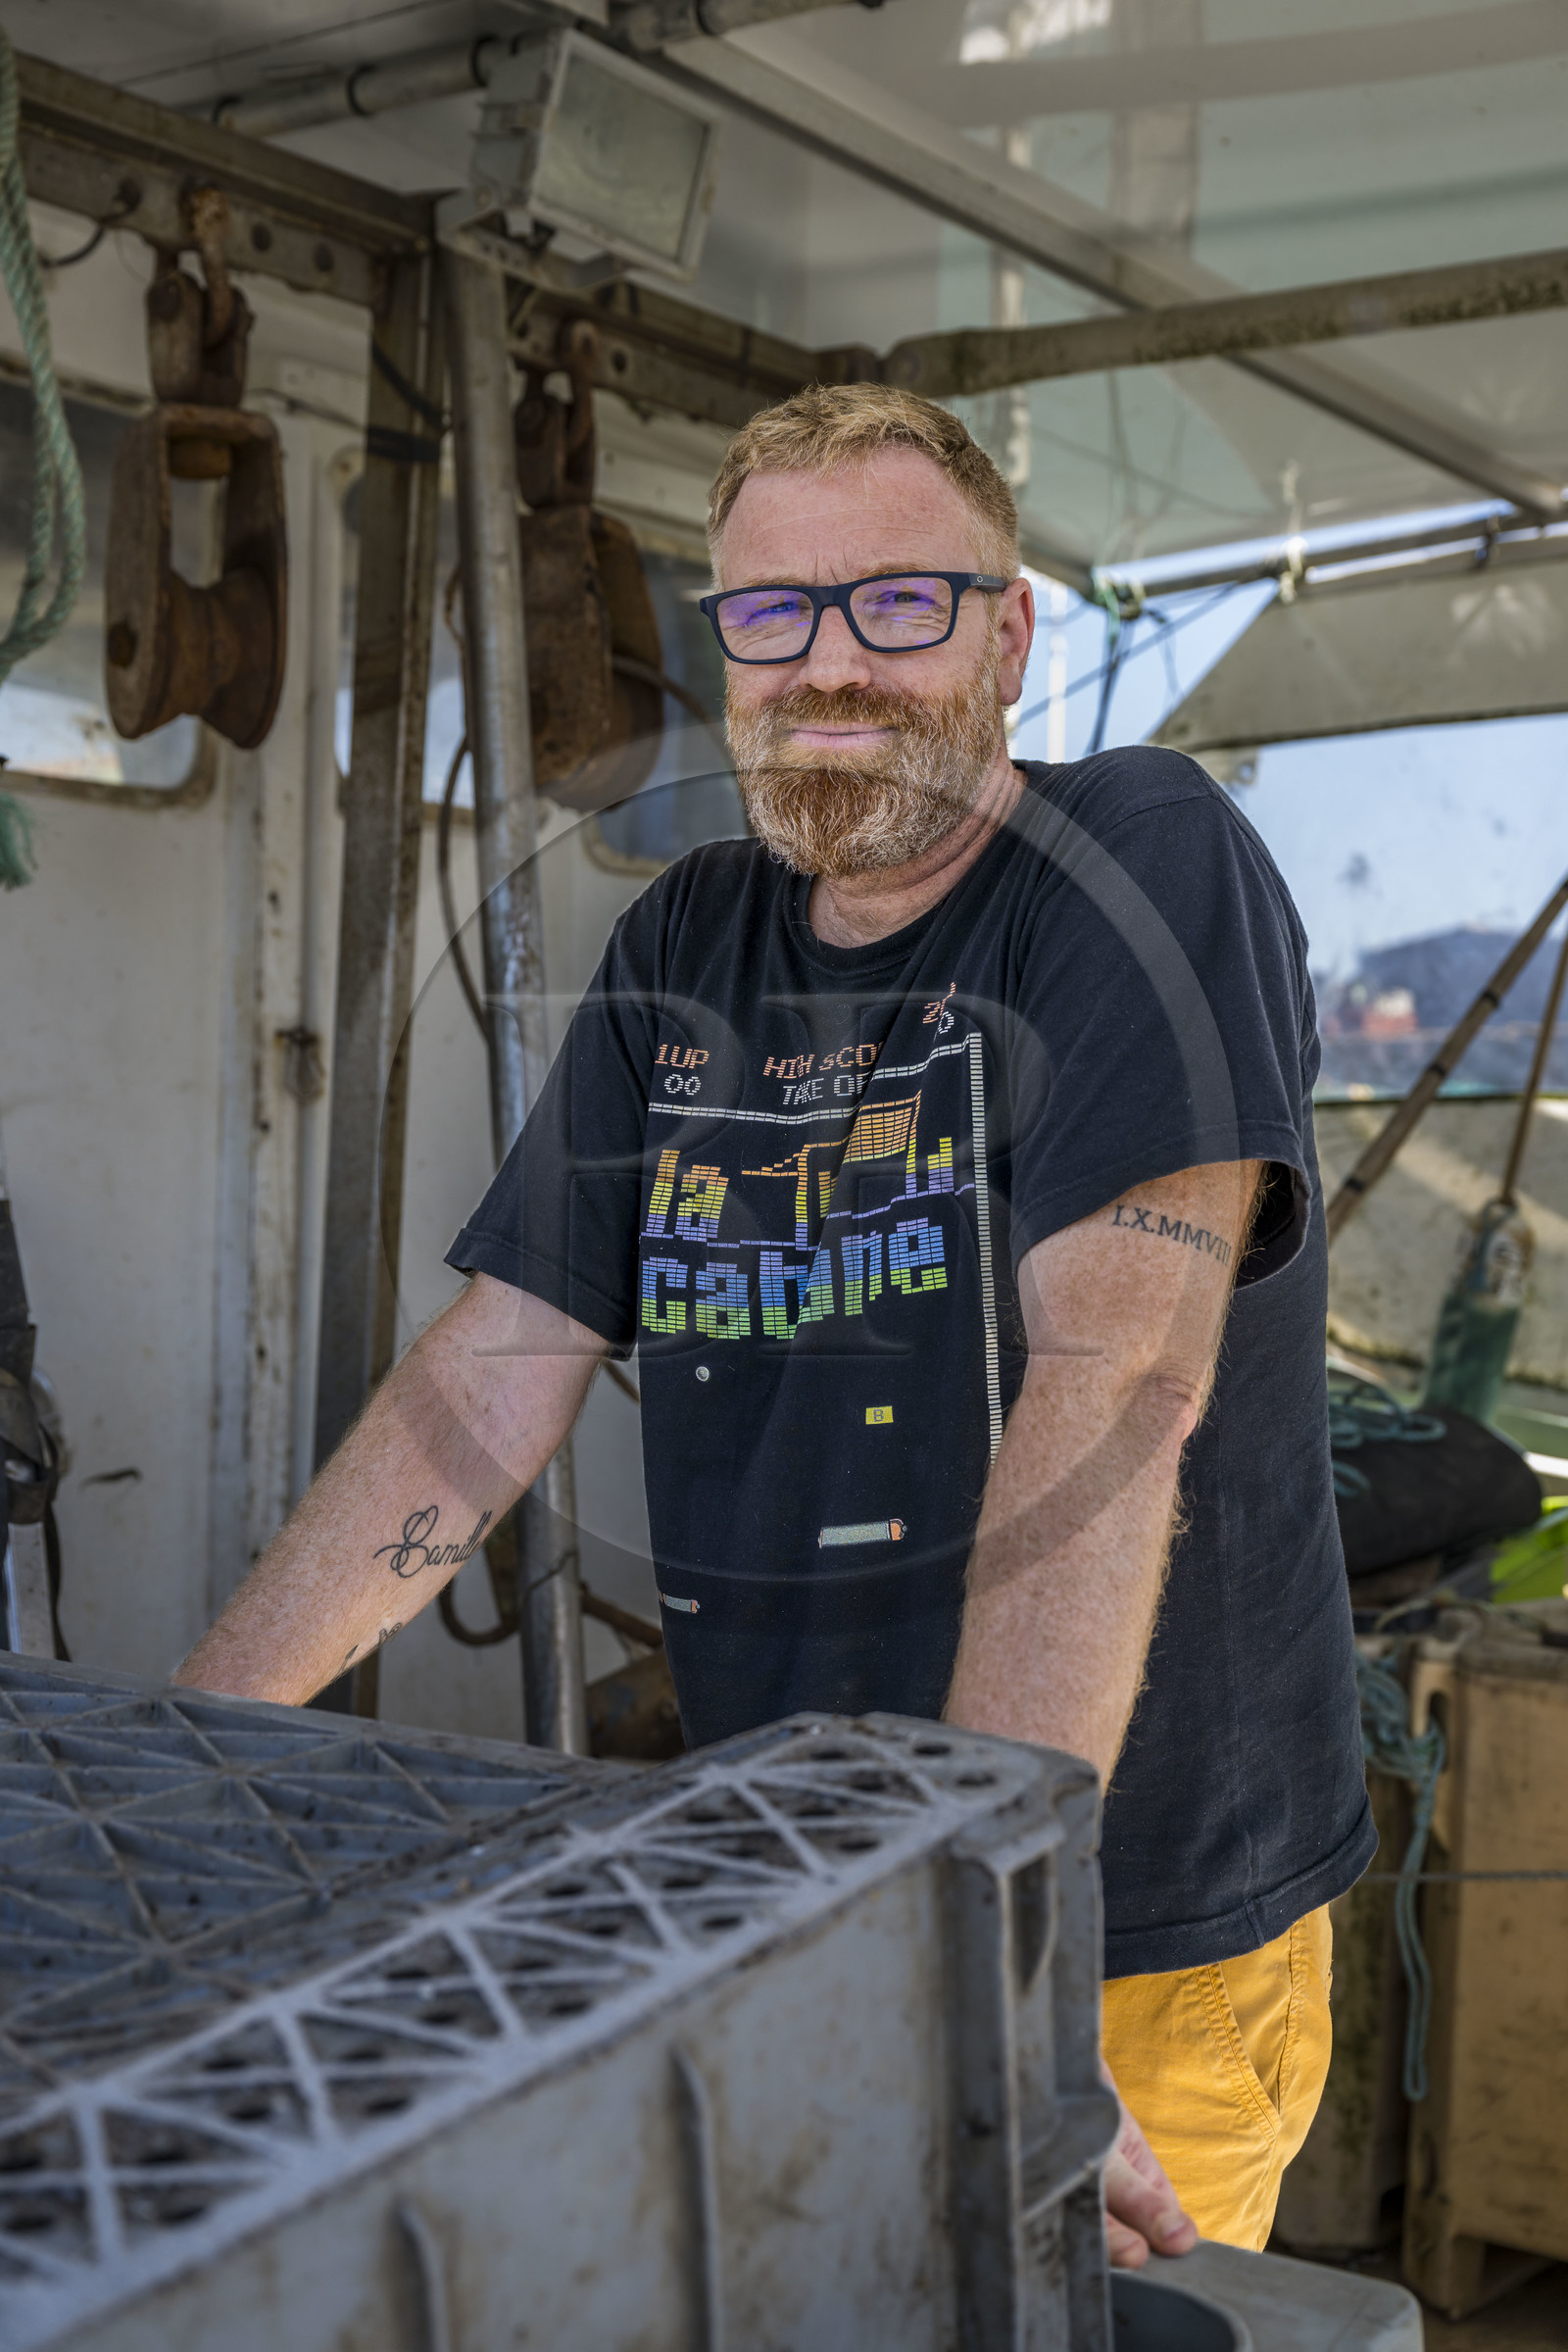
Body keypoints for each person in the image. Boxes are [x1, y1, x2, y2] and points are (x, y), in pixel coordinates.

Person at [174, 383, 1373, 2265]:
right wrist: (191, 1745)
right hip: (803, 1897)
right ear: (725, 646)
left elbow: (1120, 1367)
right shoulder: (685, 947)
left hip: (1108, 1937)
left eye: (899, 604)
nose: (832, 663)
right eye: (772, 612)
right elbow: (492, 1373)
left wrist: (991, 1936)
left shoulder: (1138, 857)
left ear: (1005, 632)